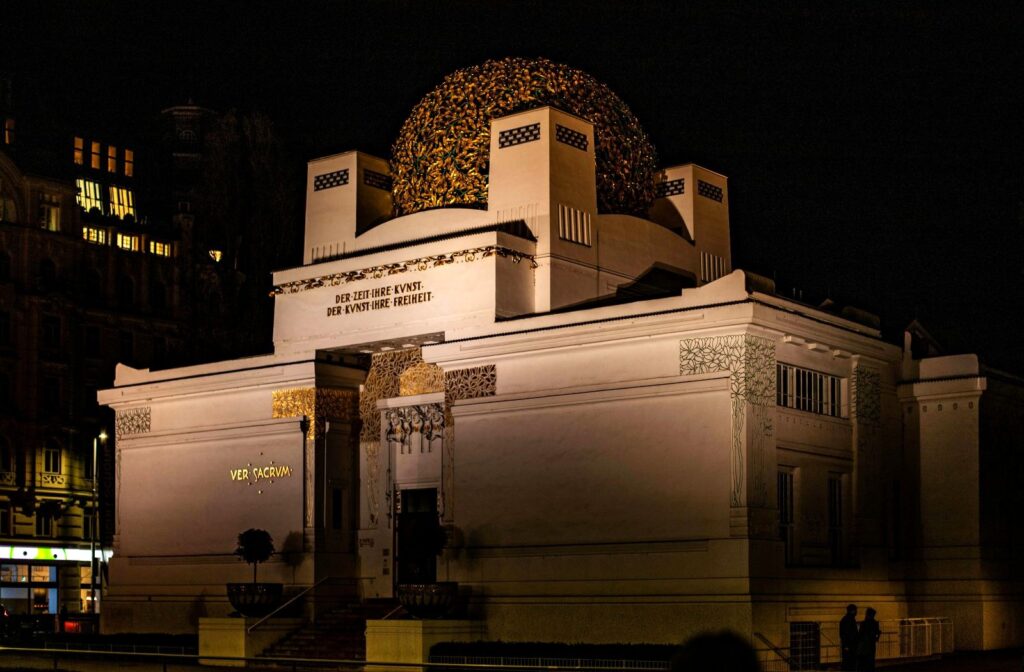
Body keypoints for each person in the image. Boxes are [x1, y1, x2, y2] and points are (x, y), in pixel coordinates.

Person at [856, 607, 881, 671]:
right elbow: (878, 632)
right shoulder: (875, 623)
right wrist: (876, 638)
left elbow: (860, 634)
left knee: (864, 660)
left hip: (864, 644)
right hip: (871, 643)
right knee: (871, 660)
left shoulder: (864, 623)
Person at [839, 604, 858, 670]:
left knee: (847, 663)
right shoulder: (850, 620)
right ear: (852, 611)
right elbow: (845, 634)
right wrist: (846, 645)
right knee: (849, 663)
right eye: (855, 610)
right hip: (850, 645)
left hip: (849, 645)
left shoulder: (845, 619)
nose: (856, 612)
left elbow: (843, 634)